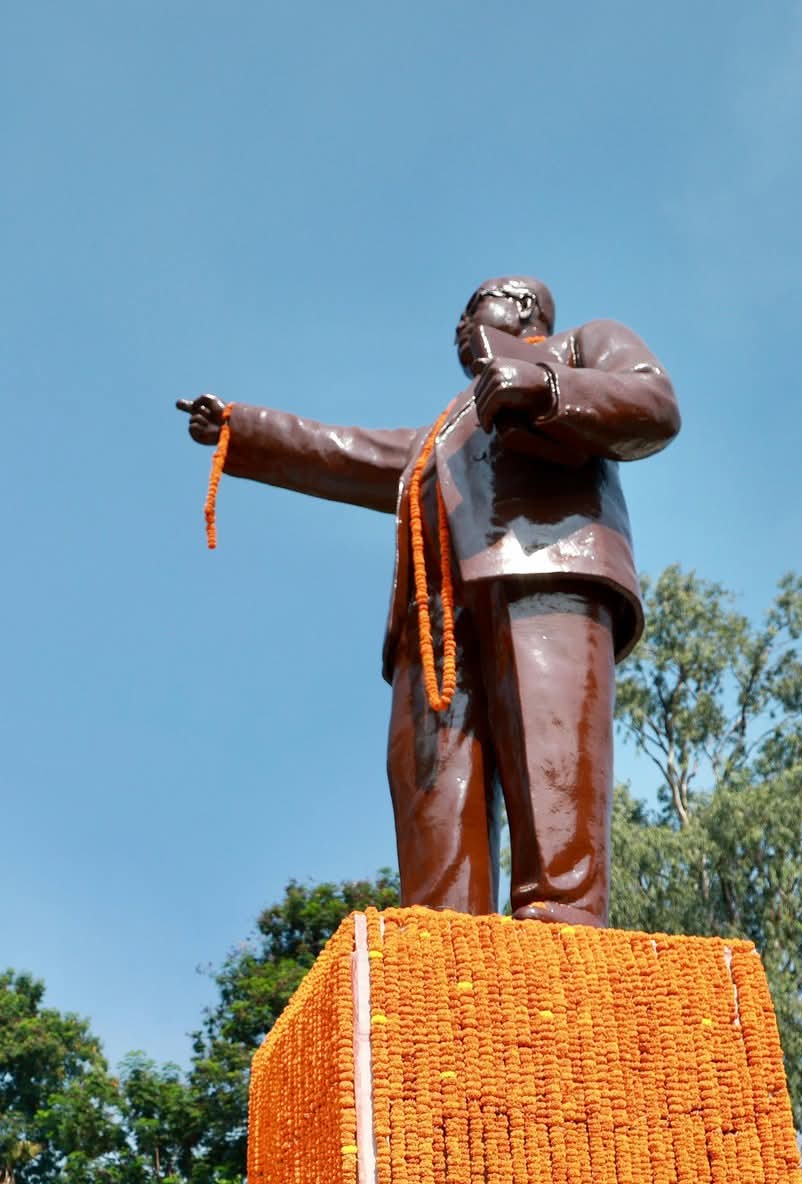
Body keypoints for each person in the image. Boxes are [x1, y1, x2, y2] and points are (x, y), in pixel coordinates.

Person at [178, 275, 679, 925]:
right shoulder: (443, 432)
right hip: (436, 626)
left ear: (525, 308)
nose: (461, 324)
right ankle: (444, 949)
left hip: (545, 574)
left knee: (554, 775)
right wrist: (240, 430)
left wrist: (547, 388)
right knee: (435, 798)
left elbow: (654, 402)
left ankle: (562, 931)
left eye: (476, 306)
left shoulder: (584, 343)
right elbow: (344, 452)